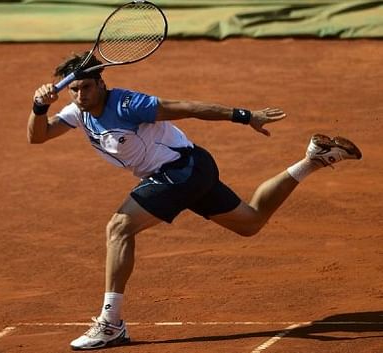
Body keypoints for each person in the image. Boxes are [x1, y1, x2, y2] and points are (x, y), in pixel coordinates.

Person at [27, 52, 362, 350]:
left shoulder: (128, 105)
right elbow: (37, 136)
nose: (80, 94)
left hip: (181, 170)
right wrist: (39, 107)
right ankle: (315, 159)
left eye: (86, 87)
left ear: (101, 83)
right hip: (187, 172)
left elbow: (187, 108)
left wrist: (246, 116)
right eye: (74, 89)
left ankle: (111, 324)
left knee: (119, 228)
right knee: (251, 221)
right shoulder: (77, 112)